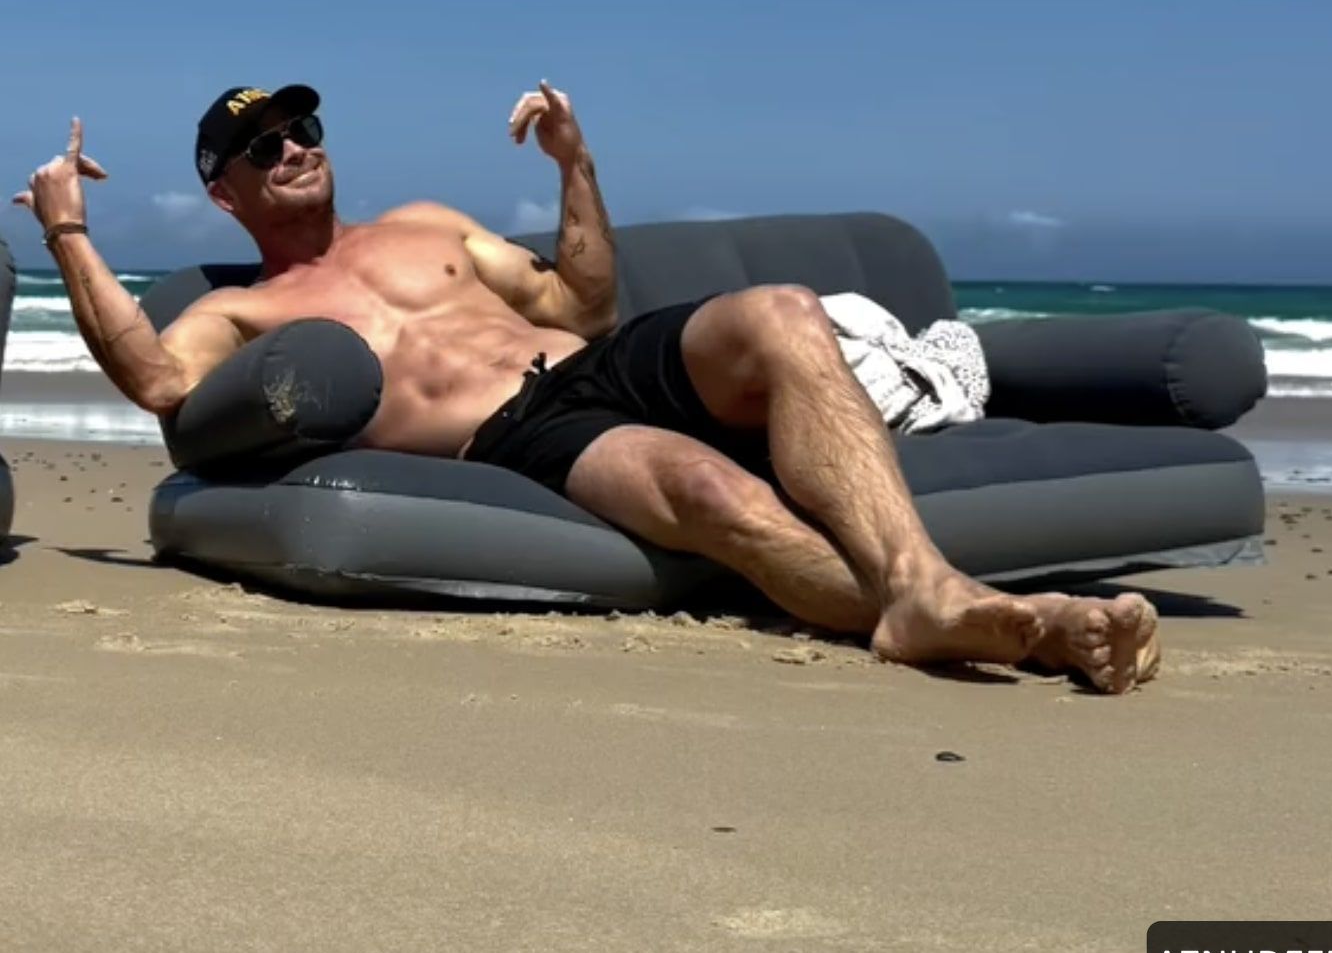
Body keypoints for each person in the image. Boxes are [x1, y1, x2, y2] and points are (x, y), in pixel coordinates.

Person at [15, 84, 1160, 691]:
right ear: (225, 194)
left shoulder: (429, 223)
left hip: (592, 363)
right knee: (718, 501)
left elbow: (584, 304)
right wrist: (68, 229)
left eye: (302, 126)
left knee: (782, 309)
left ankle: (926, 589)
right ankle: (1020, 626)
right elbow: (156, 379)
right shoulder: (239, 312)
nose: (295, 149)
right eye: (263, 146)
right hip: (524, 430)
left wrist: (576, 166)